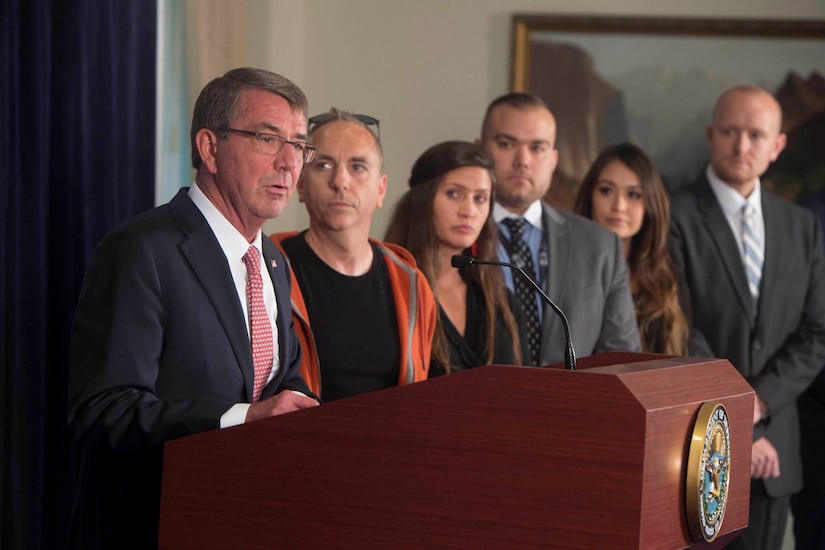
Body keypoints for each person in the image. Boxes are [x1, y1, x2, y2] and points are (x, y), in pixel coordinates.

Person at [66, 68, 320, 549]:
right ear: (209, 148)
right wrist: (243, 419)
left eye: (300, 145)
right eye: (268, 139)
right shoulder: (142, 249)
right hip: (150, 527)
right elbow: (103, 412)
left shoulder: (272, 260)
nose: (290, 163)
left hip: (245, 524)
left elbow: (280, 385)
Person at [668, 85, 825, 550]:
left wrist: (759, 405)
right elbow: (680, 328)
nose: (742, 146)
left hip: (775, 456)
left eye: (756, 135)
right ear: (711, 135)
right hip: (693, 447)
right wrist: (738, 421)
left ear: (777, 145)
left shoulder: (802, 226)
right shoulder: (673, 216)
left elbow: (816, 333)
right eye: (731, 132)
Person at [269, 108, 436, 401]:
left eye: (358, 166)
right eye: (323, 165)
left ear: (381, 189)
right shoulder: (268, 270)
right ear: (301, 184)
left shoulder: (410, 283)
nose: (341, 181)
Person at [478, 92, 641, 366]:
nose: (522, 160)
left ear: (553, 160)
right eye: (506, 144)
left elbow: (622, 359)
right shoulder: (452, 235)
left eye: (537, 148)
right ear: (479, 150)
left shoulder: (600, 245)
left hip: (576, 404)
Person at [385, 140, 527, 376]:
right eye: (454, 194)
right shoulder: (388, 291)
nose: (469, 211)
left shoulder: (502, 302)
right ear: (422, 200)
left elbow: (527, 391)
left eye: (480, 198)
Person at [574, 142, 708, 356]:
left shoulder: (668, 281)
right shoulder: (567, 271)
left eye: (634, 195)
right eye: (606, 191)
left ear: (651, 204)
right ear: (590, 196)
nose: (619, 206)